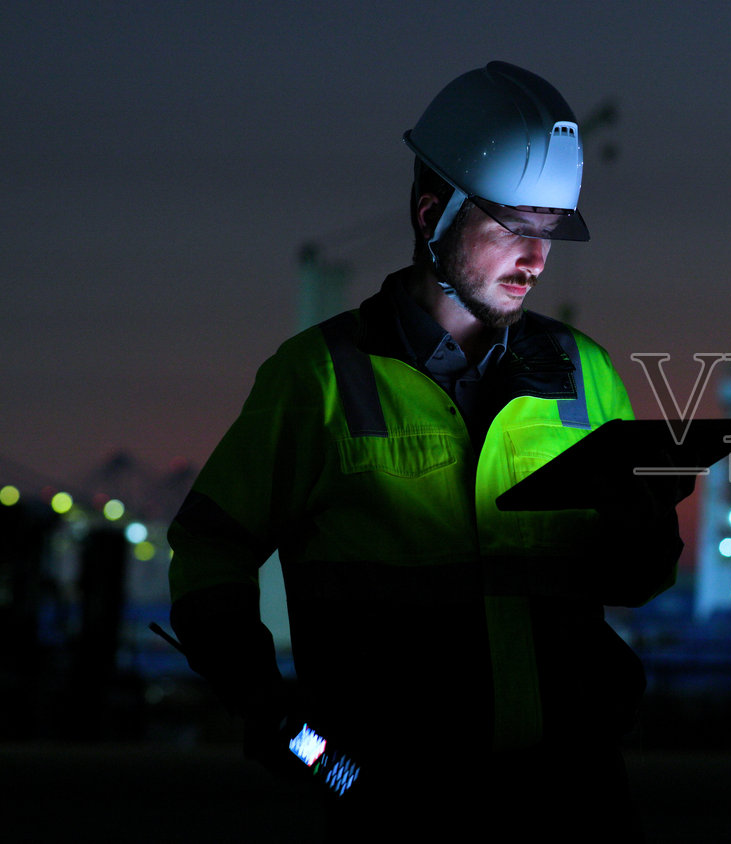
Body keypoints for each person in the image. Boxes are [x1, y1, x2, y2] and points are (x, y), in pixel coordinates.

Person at [167, 61, 684, 837]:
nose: (536, 258)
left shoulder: (587, 375)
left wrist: (643, 524)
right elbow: (212, 548)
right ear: (431, 212)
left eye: (549, 231)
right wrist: (264, 700)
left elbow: (636, 580)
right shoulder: (319, 381)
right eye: (513, 226)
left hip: (570, 785)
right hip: (393, 795)